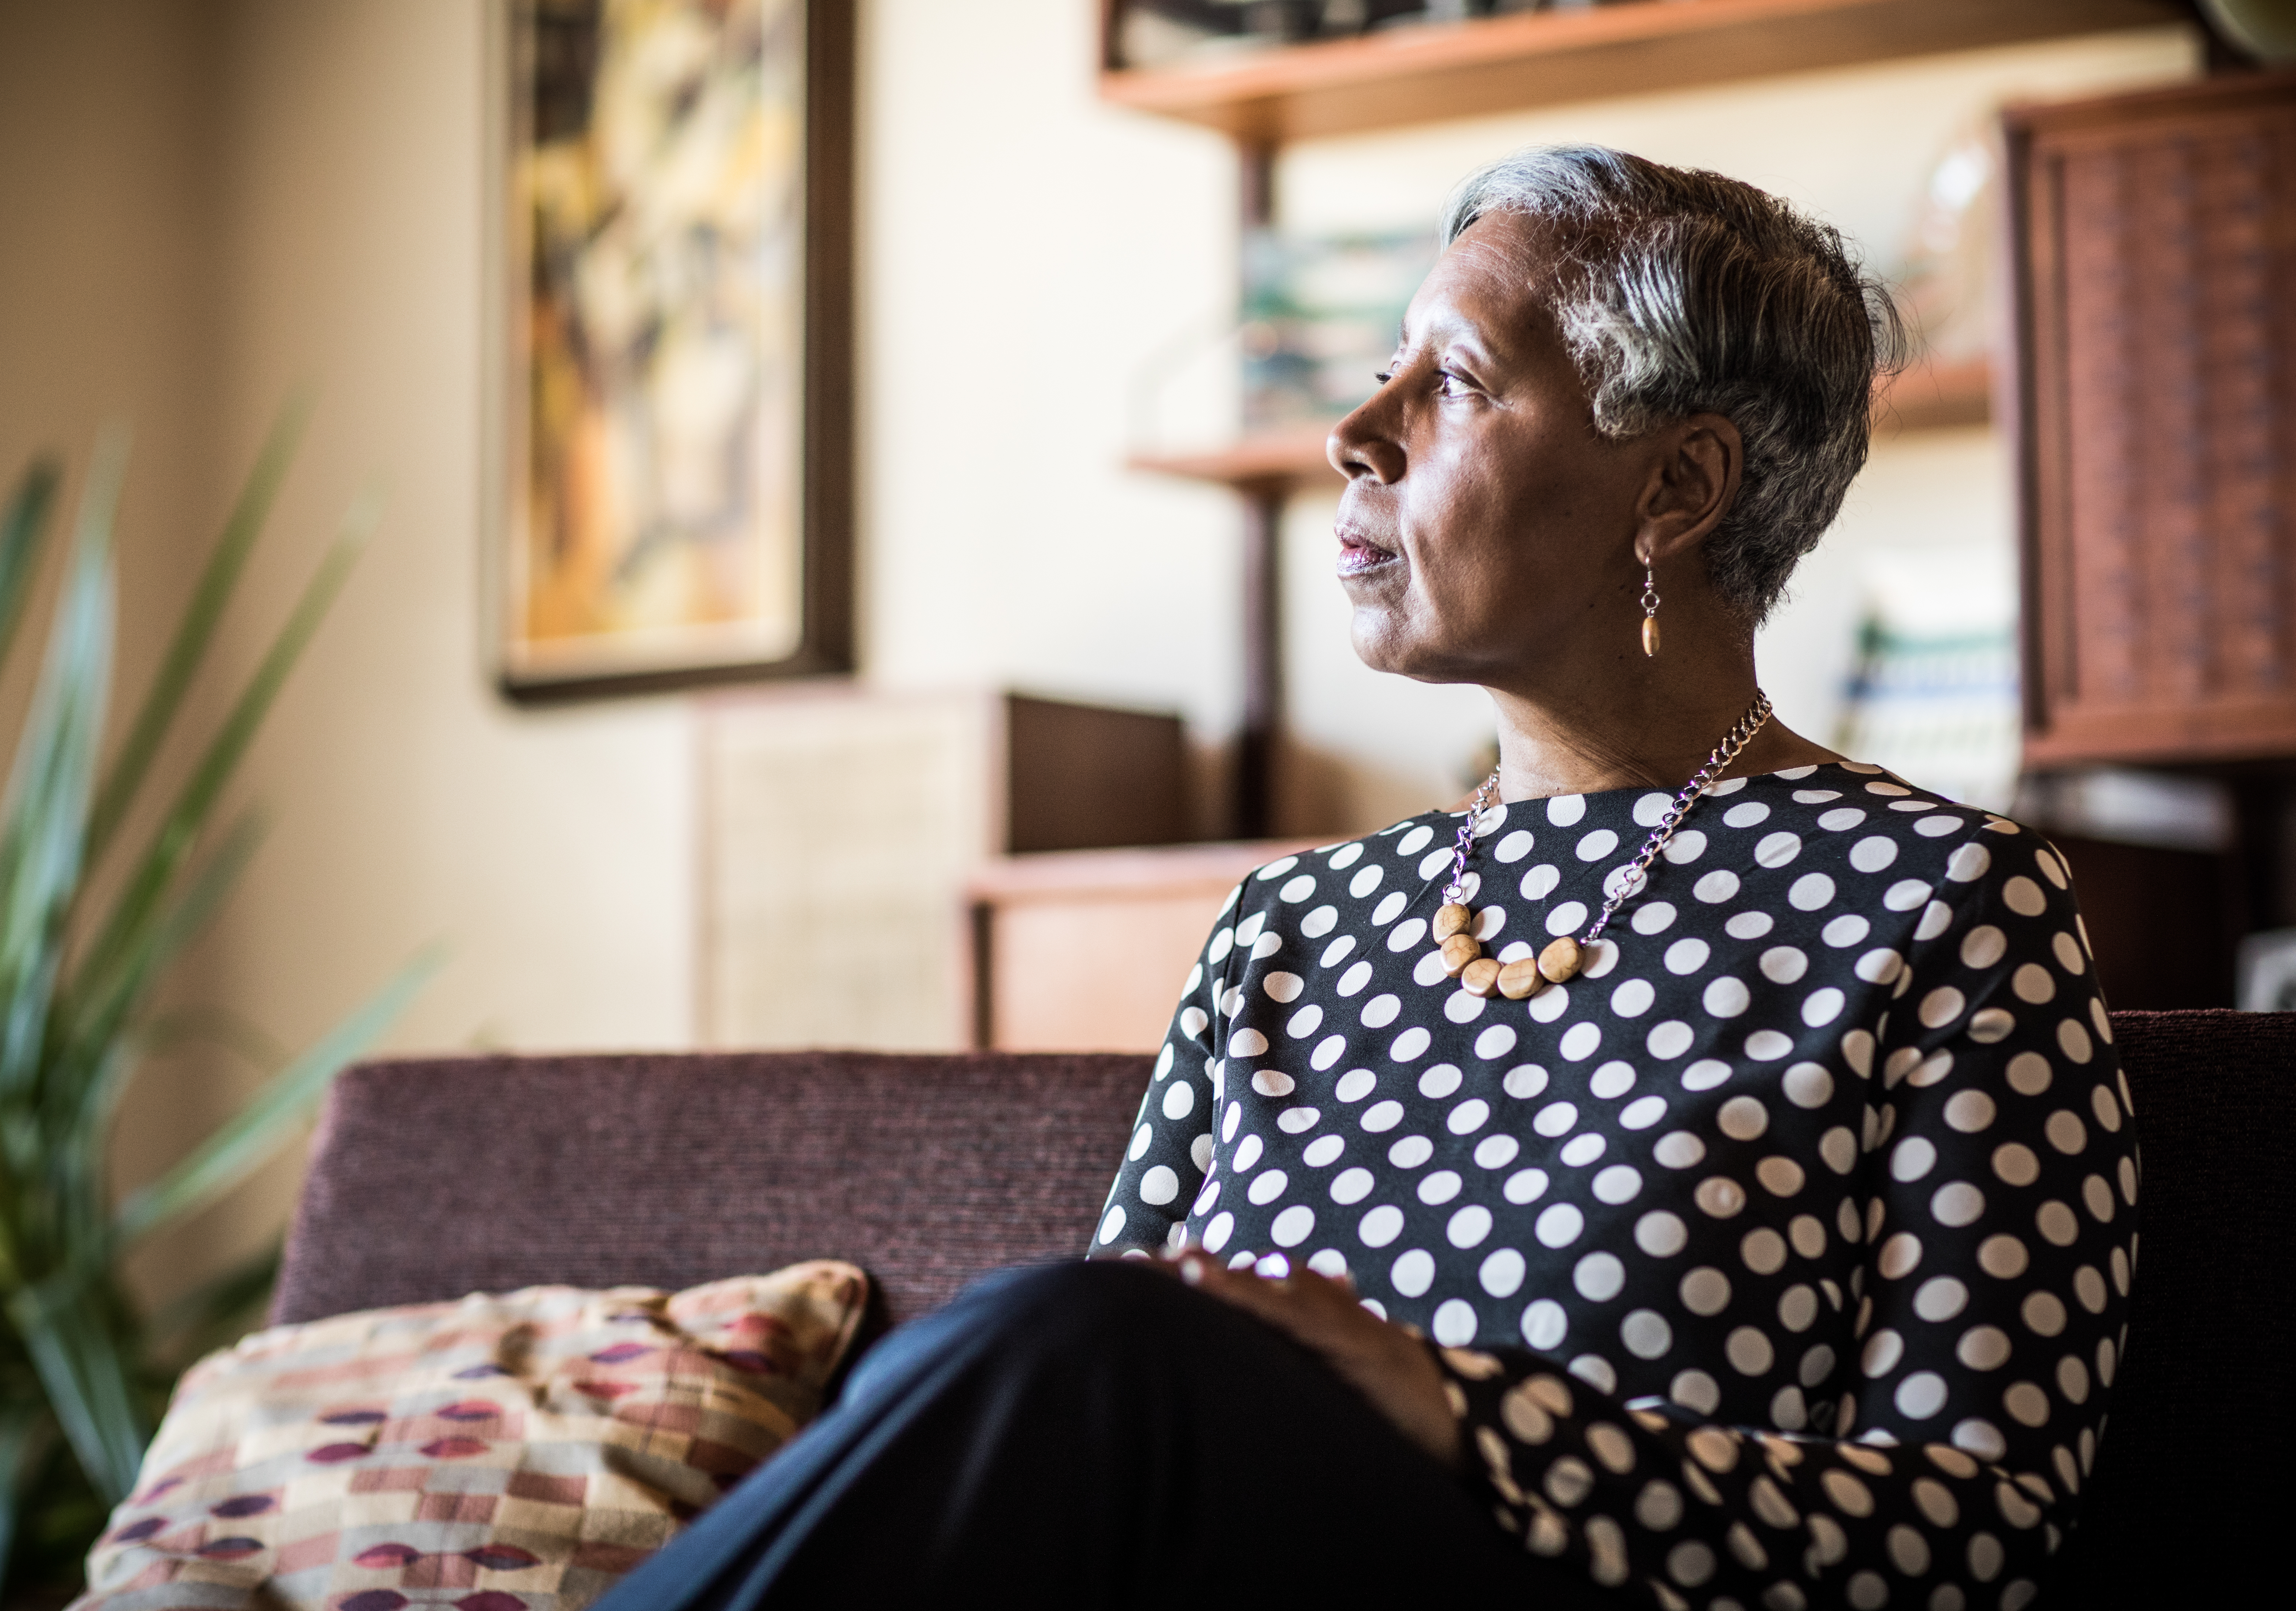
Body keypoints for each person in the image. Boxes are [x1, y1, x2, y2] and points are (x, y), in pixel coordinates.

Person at [601, 145, 2132, 1611]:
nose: (1360, 427)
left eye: (1455, 381)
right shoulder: (1294, 923)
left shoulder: (1944, 903)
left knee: (1076, 1344)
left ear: (1677, 489)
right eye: (1390, 366)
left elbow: (1974, 1529)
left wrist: (1463, 1414)